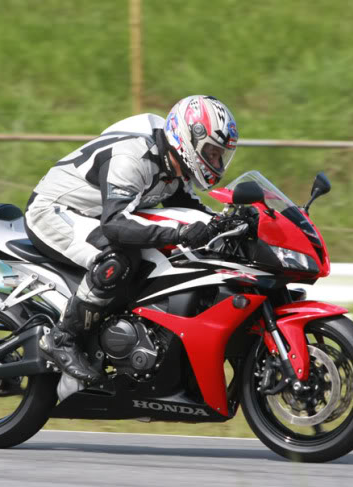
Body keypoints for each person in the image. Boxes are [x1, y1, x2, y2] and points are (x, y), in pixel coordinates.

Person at [25, 95, 239, 386]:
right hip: (55, 213)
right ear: (190, 139)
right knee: (116, 261)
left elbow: (195, 212)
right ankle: (62, 338)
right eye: (212, 153)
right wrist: (178, 234)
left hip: (94, 215)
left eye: (219, 156)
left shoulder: (173, 164)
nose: (216, 162)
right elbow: (115, 225)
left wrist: (233, 221)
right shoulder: (133, 158)